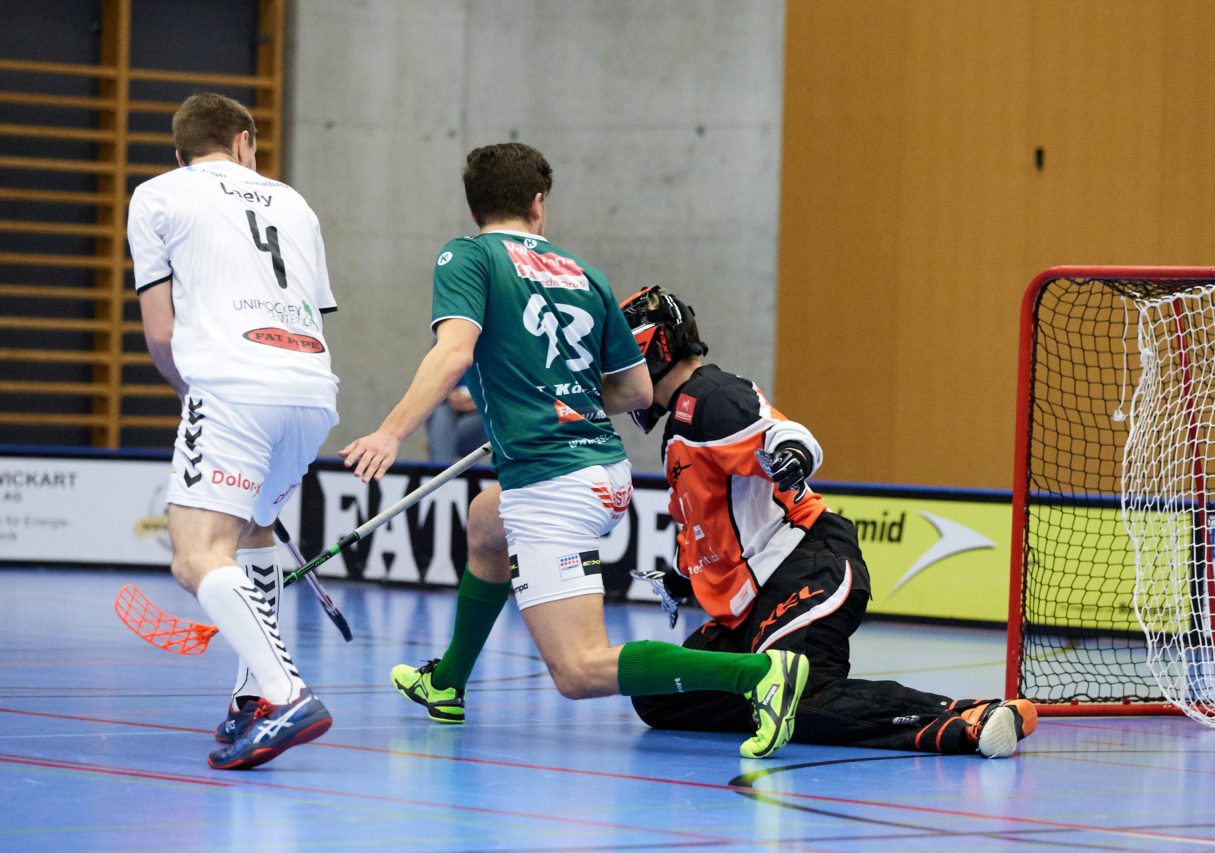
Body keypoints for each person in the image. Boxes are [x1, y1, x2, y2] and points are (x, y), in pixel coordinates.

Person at [339, 143, 809, 759]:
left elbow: (454, 352)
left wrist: (391, 431)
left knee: (579, 670)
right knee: (486, 522)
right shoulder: (586, 273)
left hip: (552, 488)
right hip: (603, 471)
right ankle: (448, 681)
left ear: (476, 204)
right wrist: (564, 398)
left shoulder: (467, 257)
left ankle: (761, 676)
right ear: (538, 204)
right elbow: (638, 390)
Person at [620, 286, 1038, 758]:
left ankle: (970, 717)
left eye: (623, 359)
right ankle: (774, 703)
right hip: (753, 600)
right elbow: (707, 524)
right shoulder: (679, 427)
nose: (616, 377)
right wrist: (681, 579)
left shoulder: (708, 396)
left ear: (654, 349)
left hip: (806, 564)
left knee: (802, 695)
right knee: (662, 693)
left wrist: (792, 455)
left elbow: (783, 432)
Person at [127, 92, 337, 770]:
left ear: (181, 152)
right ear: (245, 141)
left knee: (194, 555)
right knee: (251, 533)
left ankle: (285, 689)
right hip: (310, 391)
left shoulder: (159, 195)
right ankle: (253, 698)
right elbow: (313, 308)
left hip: (232, 384)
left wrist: (191, 390)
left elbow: (161, 331)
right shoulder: (295, 203)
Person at [425, 378, 486, 463]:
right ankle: (441, 470)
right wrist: (449, 396)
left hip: (483, 416)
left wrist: (481, 401)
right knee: (439, 413)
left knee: (443, 436)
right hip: (452, 415)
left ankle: (441, 471)